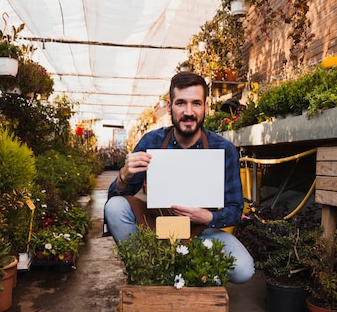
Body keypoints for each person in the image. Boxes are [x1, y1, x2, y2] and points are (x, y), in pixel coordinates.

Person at [104, 71, 254, 284]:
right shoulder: (151, 141)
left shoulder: (224, 149)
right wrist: (124, 175)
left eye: (196, 103)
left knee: (243, 269)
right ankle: (145, 269)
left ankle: (182, 269)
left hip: (199, 232)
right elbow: (116, 196)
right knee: (114, 207)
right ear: (169, 107)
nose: (189, 112)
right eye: (181, 103)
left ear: (206, 106)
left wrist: (208, 218)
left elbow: (235, 210)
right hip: (156, 227)